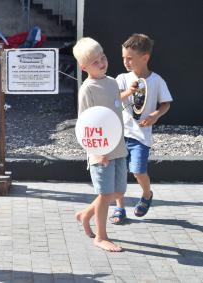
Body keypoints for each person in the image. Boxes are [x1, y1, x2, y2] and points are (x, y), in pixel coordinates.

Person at [110, 34, 173, 224]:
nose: (126, 62)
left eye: (130, 58)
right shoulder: (122, 78)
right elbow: (113, 100)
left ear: (145, 58)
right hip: (120, 135)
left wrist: (155, 115)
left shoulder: (157, 80)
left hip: (141, 136)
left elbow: (166, 103)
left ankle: (147, 194)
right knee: (119, 173)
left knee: (138, 171)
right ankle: (120, 208)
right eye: (123, 58)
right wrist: (128, 92)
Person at [72, 37, 128, 252]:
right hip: (100, 151)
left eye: (103, 57)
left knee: (117, 192)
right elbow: (85, 122)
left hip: (118, 147)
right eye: (96, 61)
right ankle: (101, 236)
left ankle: (85, 215)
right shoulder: (88, 89)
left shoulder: (112, 82)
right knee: (106, 194)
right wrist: (96, 152)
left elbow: (114, 107)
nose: (102, 62)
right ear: (83, 67)